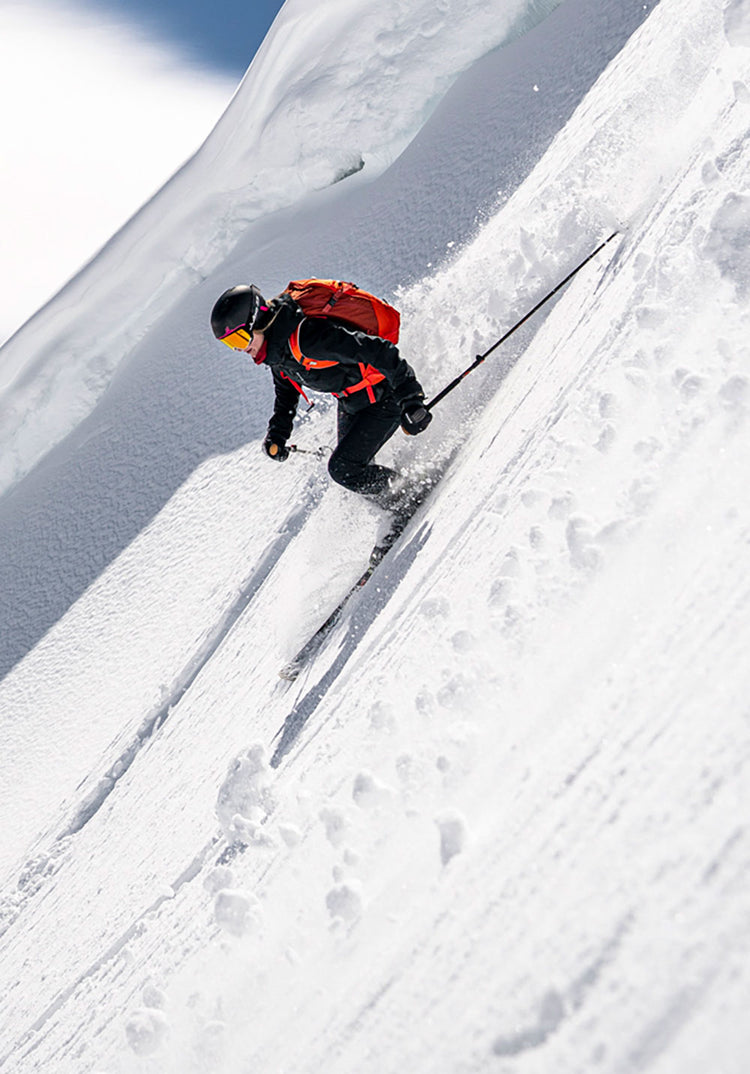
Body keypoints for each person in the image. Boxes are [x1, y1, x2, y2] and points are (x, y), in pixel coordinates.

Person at [210, 283, 432, 510]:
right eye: (231, 345)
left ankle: (409, 495)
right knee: (352, 468)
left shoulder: (308, 339)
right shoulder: (276, 350)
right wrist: (278, 434)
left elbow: (378, 350)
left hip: (383, 397)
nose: (240, 350)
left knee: (344, 469)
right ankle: (396, 503)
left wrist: (411, 398)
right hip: (352, 402)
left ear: (257, 321)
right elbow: (286, 392)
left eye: (239, 339)